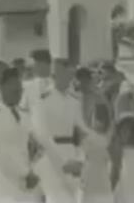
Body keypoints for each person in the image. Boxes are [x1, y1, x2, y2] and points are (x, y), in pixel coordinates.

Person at [31, 57, 90, 203]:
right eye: (64, 74)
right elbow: (42, 136)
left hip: (73, 157)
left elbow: (83, 134)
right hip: (52, 160)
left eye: (70, 74)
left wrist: (81, 159)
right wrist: (63, 162)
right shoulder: (42, 101)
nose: (69, 78)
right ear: (54, 76)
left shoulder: (74, 101)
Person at [0, 66, 39, 201]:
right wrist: (25, 173)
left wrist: (32, 171)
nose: (18, 94)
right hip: (4, 181)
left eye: (20, 90)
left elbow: (32, 147)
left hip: (26, 183)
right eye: (14, 90)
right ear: (2, 88)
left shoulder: (24, 116)